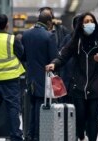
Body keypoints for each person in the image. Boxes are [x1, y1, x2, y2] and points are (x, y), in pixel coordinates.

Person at [45, 12, 98, 141]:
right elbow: (63, 56)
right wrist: (54, 64)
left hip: (97, 86)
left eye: (91, 21)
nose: (89, 24)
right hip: (78, 85)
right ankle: (81, 135)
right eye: (86, 22)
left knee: (93, 117)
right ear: (81, 25)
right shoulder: (76, 41)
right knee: (80, 116)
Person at [21, 13, 58, 141]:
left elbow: (23, 56)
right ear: (48, 22)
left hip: (30, 77)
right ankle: (38, 136)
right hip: (44, 78)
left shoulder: (25, 34)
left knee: (32, 107)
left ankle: (30, 135)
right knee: (41, 107)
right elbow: (54, 59)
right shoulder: (49, 36)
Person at [57, 14, 81, 103]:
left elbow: (60, 54)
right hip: (77, 82)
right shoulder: (87, 40)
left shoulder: (67, 38)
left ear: (72, 26)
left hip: (66, 80)